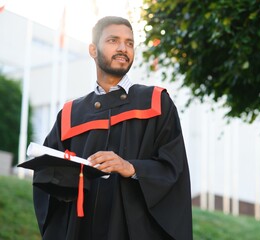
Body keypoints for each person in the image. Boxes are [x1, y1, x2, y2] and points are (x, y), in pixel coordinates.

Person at [31, 16, 193, 240]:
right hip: (82, 229)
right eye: (113, 40)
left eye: (129, 43)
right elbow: (46, 183)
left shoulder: (156, 102)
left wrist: (131, 168)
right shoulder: (71, 114)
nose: (122, 48)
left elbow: (174, 168)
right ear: (93, 50)